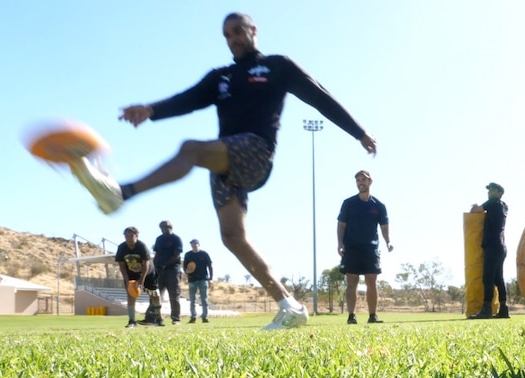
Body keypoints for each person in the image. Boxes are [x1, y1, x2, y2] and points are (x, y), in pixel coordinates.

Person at [67, 12, 377, 331]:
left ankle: (121, 193)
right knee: (232, 237)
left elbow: (319, 96)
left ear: (254, 30)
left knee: (190, 150)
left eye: (238, 31)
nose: (233, 39)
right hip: (225, 165)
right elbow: (187, 99)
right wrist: (151, 110)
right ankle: (290, 306)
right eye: (227, 35)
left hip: (255, 152)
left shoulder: (277, 66)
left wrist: (359, 132)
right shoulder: (221, 77)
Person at [337, 170, 393, 324]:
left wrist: (388, 241)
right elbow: (341, 224)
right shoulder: (348, 203)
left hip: (370, 248)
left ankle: (372, 316)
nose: (360, 182)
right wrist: (340, 243)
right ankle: (351, 316)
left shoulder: (379, 206)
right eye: (358, 180)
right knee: (352, 281)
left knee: (371, 281)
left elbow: (384, 226)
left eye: (363, 180)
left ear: (370, 182)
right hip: (351, 247)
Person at [468, 182, 509, 319]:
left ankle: (486, 310)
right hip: (501, 246)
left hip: (492, 245)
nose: (489, 192)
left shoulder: (493, 203)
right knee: (499, 279)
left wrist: (475, 207)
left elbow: (476, 210)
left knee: (488, 278)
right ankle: (504, 309)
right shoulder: (503, 206)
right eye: (489, 190)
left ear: (499, 193)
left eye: (492, 190)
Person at [115, 226, 151, 328]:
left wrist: (141, 281)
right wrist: (127, 281)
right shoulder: (122, 247)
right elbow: (121, 265)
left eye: (131, 235)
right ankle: (131, 321)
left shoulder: (142, 246)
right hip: (130, 274)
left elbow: (146, 265)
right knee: (130, 296)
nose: (129, 238)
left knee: (154, 295)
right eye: (126, 236)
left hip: (147, 273)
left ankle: (156, 318)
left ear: (136, 236)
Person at [152, 221, 184, 324]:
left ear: (170, 227)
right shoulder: (159, 239)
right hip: (159, 270)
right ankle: (157, 317)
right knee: (156, 294)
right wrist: (154, 266)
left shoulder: (176, 239)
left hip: (172, 270)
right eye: (162, 227)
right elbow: (156, 253)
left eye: (166, 227)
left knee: (174, 295)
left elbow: (177, 255)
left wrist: (165, 264)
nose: (164, 229)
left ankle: (176, 318)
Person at [183, 239, 213, 323]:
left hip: (203, 279)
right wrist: (187, 271)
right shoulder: (188, 255)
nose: (194, 245)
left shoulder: (204, 254)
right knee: (192, 299)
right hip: (192, 280)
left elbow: (210, 265)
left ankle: (205, 316)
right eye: (192, 244)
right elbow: (185, 266)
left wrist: (211, 278)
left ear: (198, 245)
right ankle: (193, 316)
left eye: (195, 244)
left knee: (204, 299)